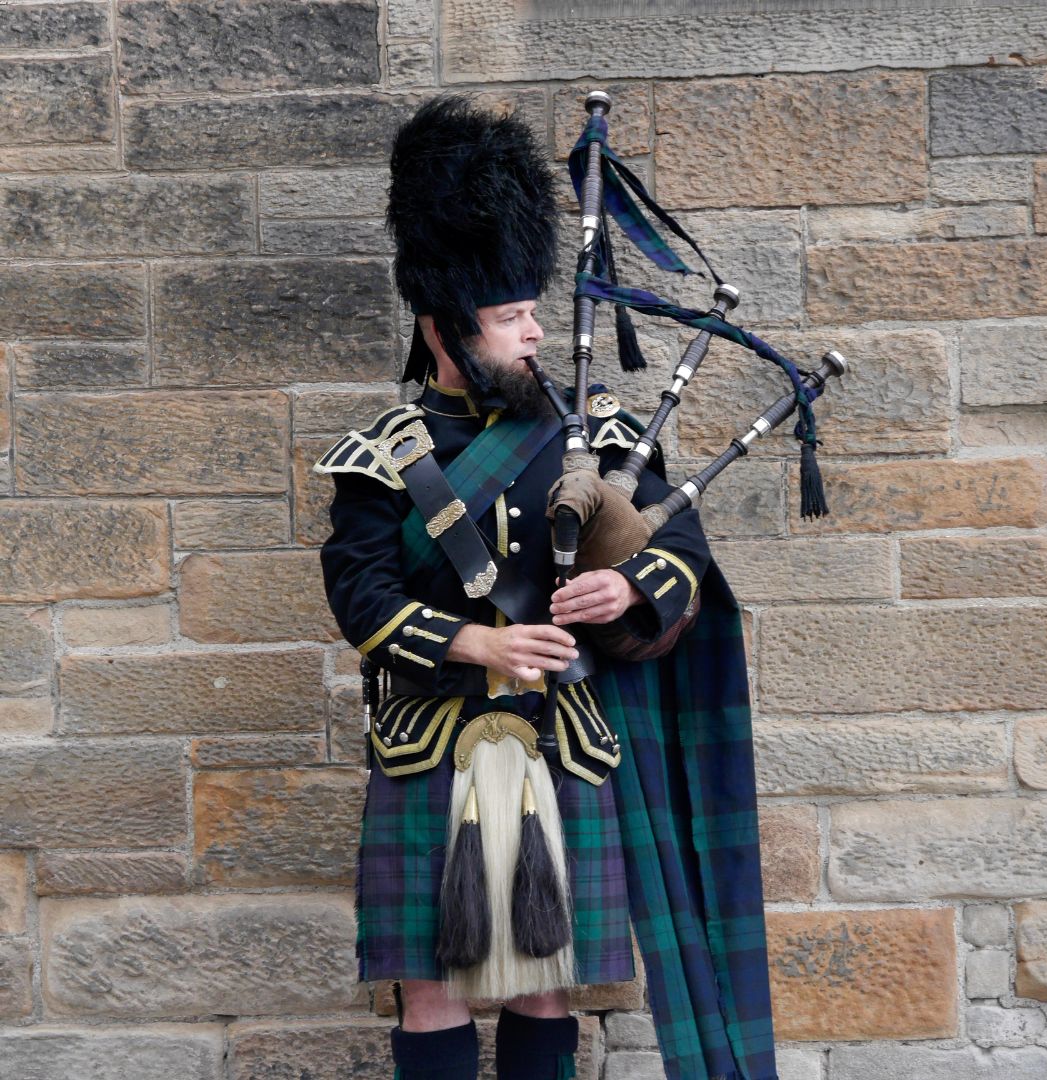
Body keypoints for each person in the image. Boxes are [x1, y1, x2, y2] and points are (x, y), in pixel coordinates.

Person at [316, 96, 777, 1080]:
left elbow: (680, 542)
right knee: (431, 986)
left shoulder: (593, 430)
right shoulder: (382, 459)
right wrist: (479, 644)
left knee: (543, 979)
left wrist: (629, 592)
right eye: (507, 317)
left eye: (534, 311)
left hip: (562, 741)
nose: (532, 334)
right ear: (443, 328)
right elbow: (359, 596)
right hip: (429, 747)